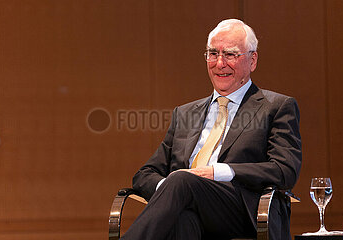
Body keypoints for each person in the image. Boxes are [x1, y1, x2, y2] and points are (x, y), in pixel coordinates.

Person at [121, 19, 302, 240]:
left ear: (252, 60)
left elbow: (285, 170)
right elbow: (144, 175)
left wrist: (220, 172)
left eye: (231, 55)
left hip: (243, 210)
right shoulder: (185, 113)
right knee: (182, 216)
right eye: (213, 53)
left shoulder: (276, 107)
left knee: (181, 181)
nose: (219, 63)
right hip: (190, 207)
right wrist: (170, 190)